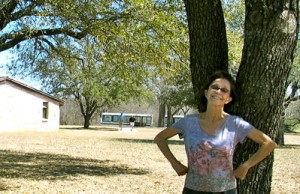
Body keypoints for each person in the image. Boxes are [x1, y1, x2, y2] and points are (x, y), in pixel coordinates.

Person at [154, 71, 277, 194]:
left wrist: (246, 165)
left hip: (226, 190)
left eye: (224, 90)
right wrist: (175, 163)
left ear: (228, 99)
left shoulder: (235, 124)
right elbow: (160, 138)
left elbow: (269, 144)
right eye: (215, 87)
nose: (218, 92)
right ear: (206, 93)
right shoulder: (188, 122)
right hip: (193, 189)